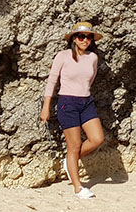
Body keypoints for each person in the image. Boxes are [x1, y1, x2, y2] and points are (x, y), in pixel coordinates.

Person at [40, 22, 106, 199]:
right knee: (74, 145)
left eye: (89, 37)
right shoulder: (63, 56)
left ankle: (69, 161)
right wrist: (46, 107)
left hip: (86, 102)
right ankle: (78, 188)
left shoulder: (93, 58)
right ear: (74, 39)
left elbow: (90, 80)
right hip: (67, 103)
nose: (85, 40)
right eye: (81, 37)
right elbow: (52, 82)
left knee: (97, 138)